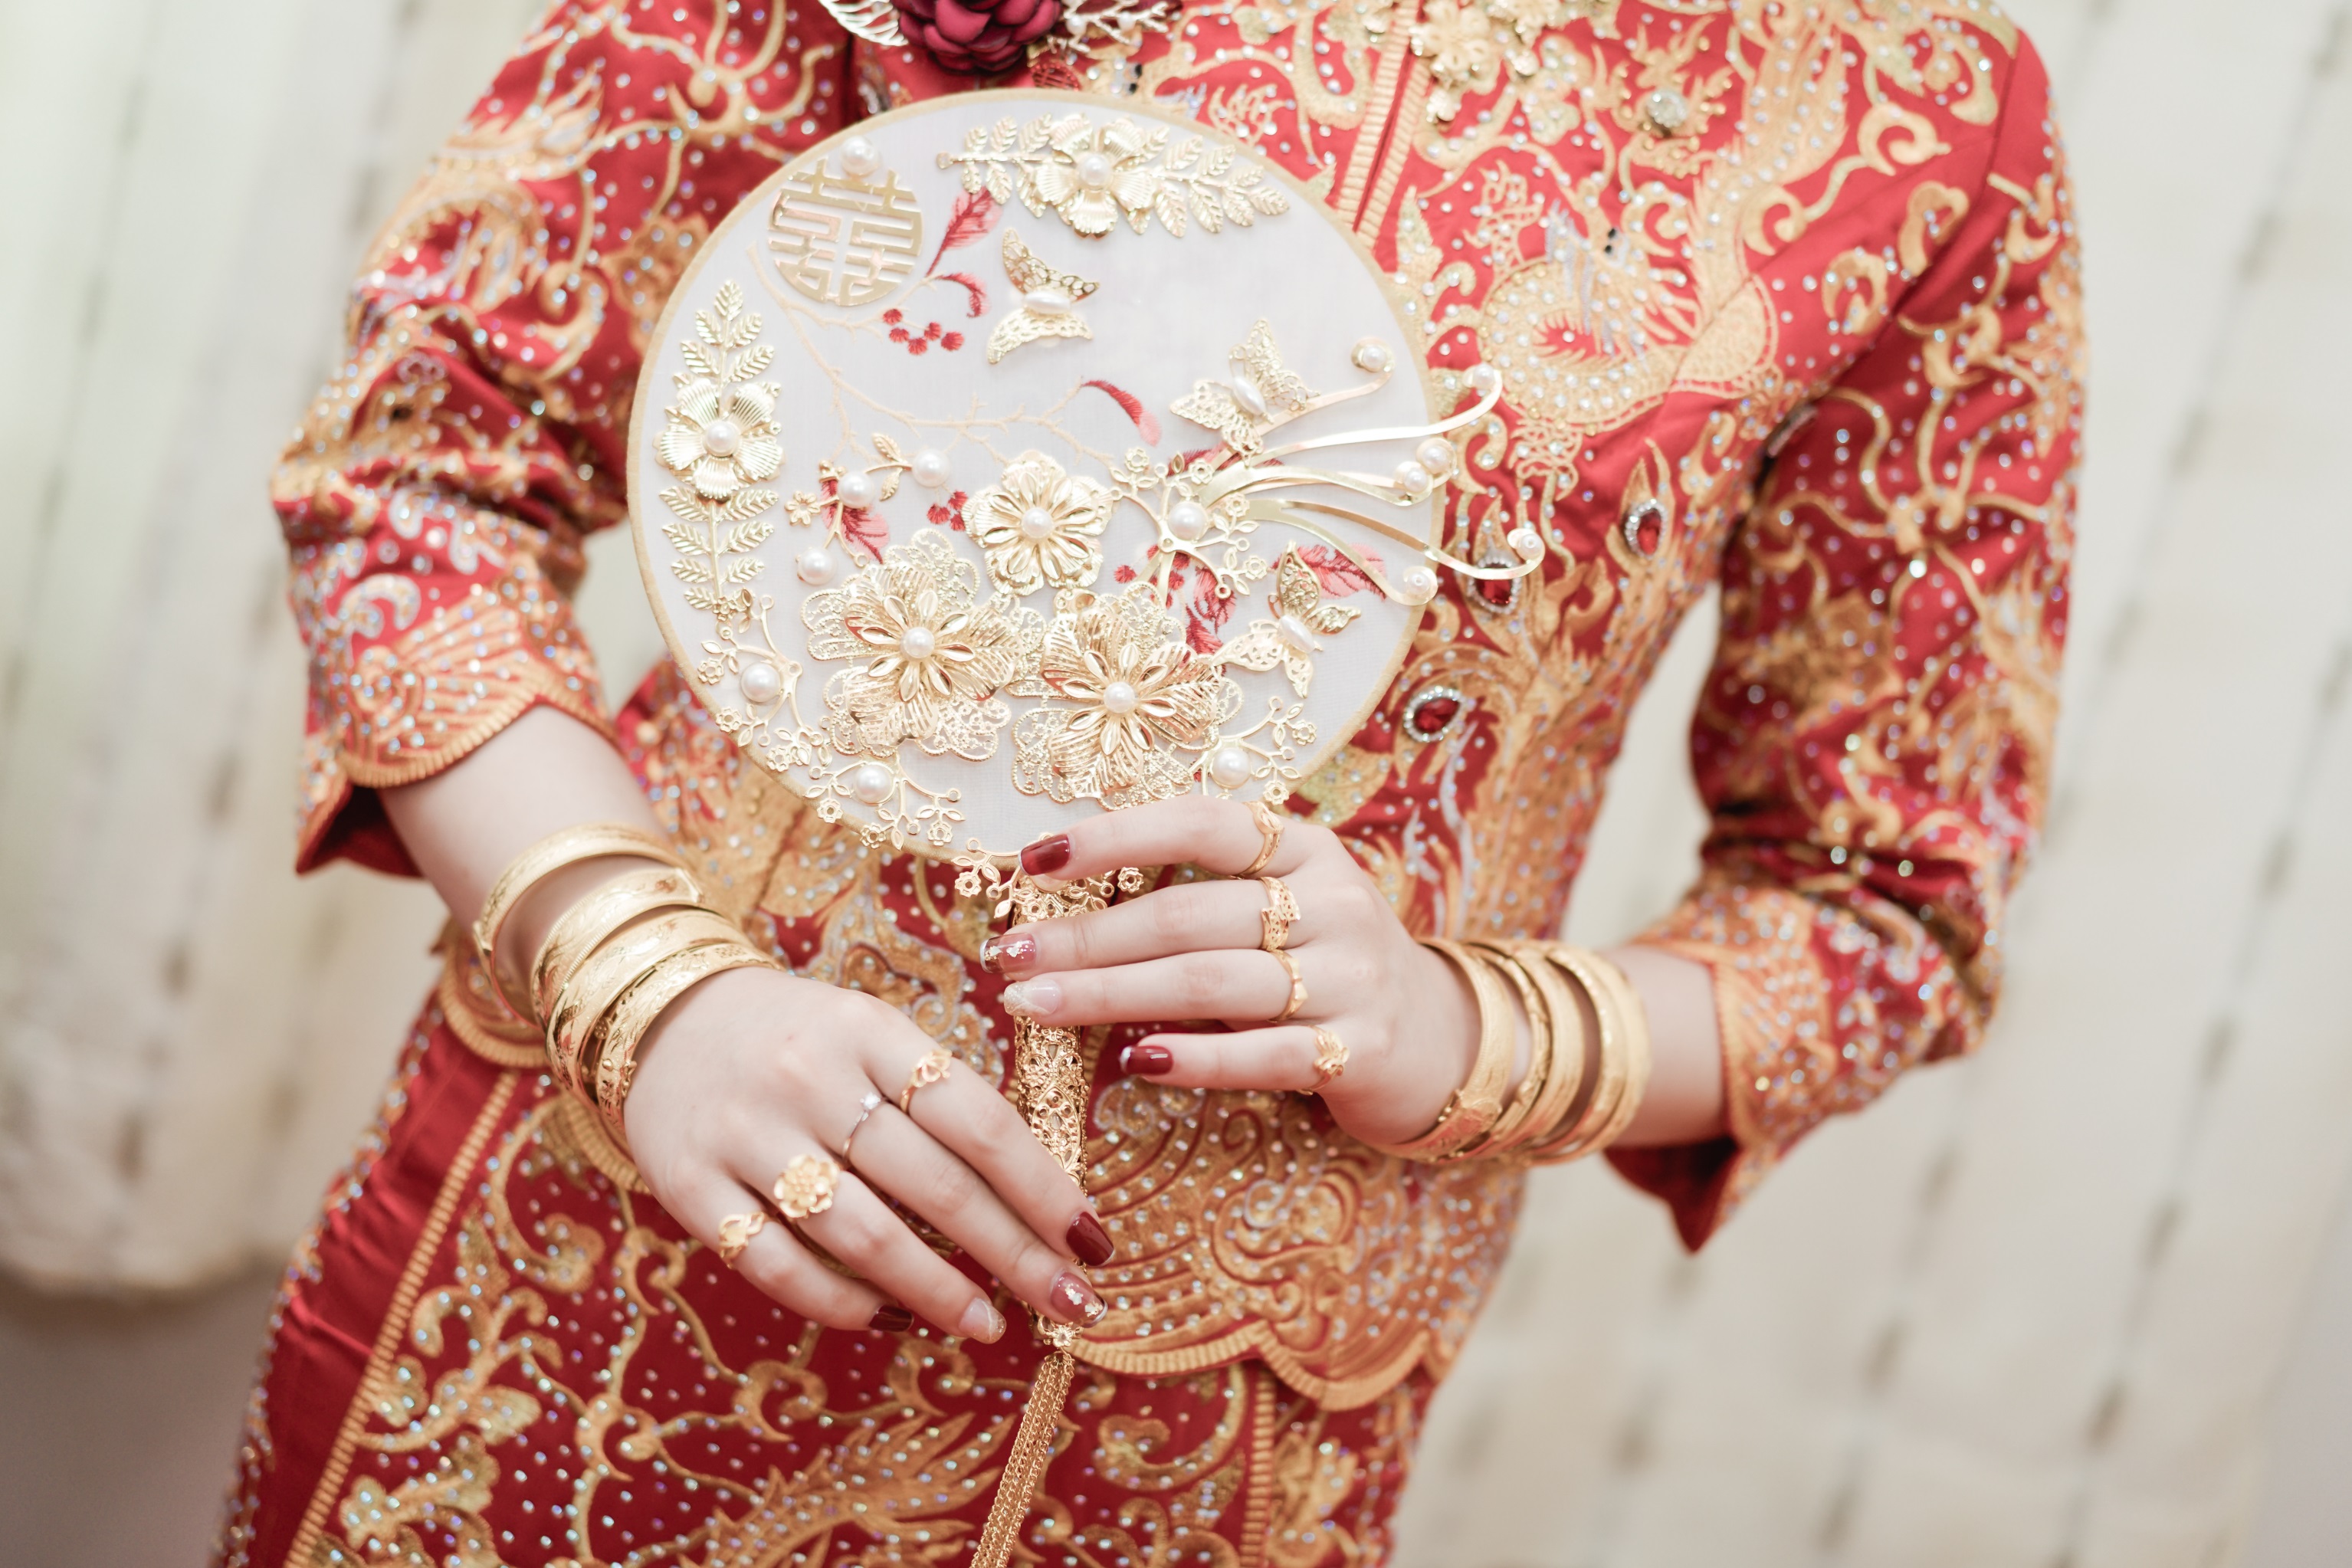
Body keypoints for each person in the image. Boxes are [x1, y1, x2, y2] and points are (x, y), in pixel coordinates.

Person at [217, 3, 2081, 1563]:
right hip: (610, 1245)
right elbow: (419, 469)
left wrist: (1459, 1029)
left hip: (1217, 1444)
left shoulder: (1913, 112)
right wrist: (649, 987)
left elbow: (1881, 909)